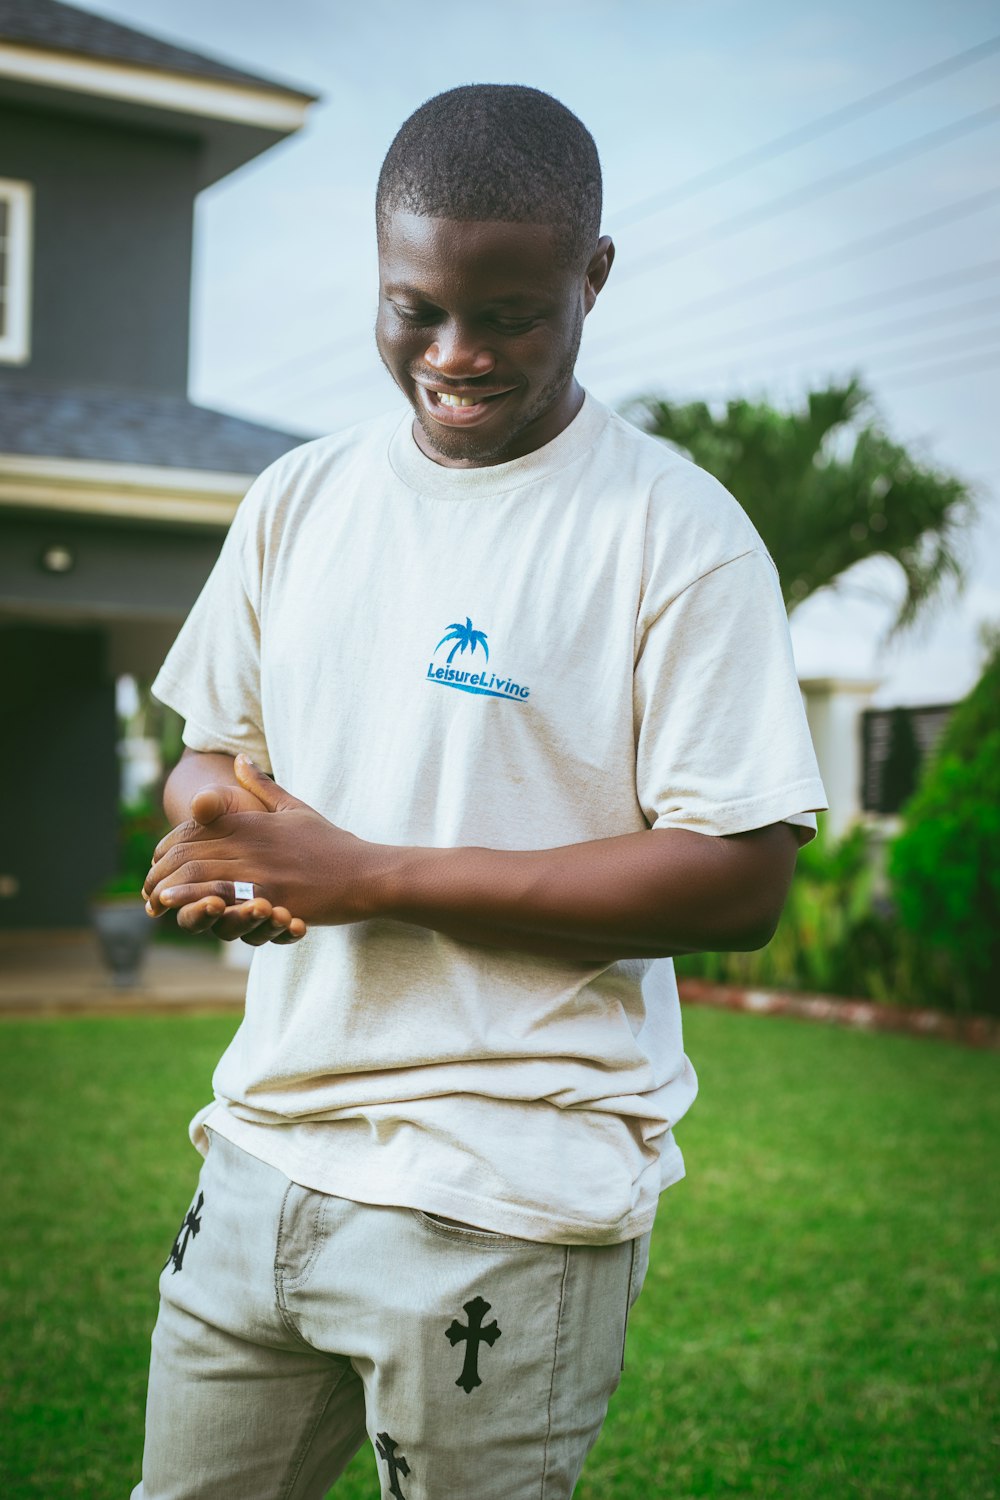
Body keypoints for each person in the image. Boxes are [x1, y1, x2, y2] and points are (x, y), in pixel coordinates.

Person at [133, 84, 826, 1500]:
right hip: (266, 1146)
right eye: (416, 308)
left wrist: (370, 875)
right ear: (381, 276)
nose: (456, 354)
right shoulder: (299, 497)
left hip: (509, 1190)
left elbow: (741, 875)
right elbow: (215, 751)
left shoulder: (675, 534)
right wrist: (219, 842)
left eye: (511, 311)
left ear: (595, 278)